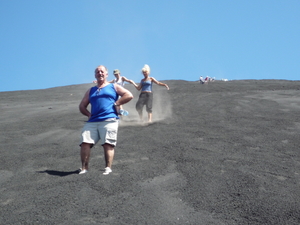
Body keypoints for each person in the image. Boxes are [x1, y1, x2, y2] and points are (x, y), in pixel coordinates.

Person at [79, 65, 133, 175]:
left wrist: (117, 103)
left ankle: (108, 168)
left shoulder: (113, 86)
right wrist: (88, 114)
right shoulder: (91, 90)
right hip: (93, 121)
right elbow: (82, 106)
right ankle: (84, 168)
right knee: (85, 142)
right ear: (95, 75)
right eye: (98, 72)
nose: (100, 73)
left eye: (102, 71)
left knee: (108, 143)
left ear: (106, 74)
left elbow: (129, 95)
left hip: (109, 119)